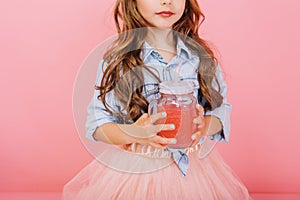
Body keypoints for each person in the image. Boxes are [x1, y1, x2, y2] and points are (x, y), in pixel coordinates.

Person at [63, 0, 252, 199]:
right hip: (137, 168)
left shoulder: (199, 57)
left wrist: (204, 125)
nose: (166, 1)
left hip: (193, 170)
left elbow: (220, 110)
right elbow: (97, 124)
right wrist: (134, 132)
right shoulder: (119, 60)